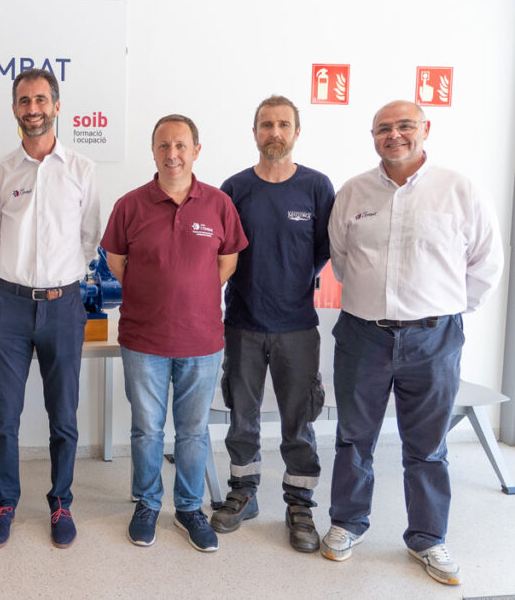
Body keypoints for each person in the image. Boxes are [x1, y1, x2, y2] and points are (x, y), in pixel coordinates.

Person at [321, 100, 503, 585]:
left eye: (405, 125)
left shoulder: (460, 190)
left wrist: (441, 310)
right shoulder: (353, 191)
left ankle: (428, 537)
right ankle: (347, 523)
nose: (394, 135)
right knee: (354, 437)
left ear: (425, 129)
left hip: (434, 339)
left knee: (427, 445)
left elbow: (486, 262)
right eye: (383, 128)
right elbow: (341, 259)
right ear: (373, 136)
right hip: (363, 335)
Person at [102, 114, 247, 552]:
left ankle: (188, 508)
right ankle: (147, 503)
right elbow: (116, 260)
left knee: (193, 431)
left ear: (196, 151)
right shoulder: (130, 205)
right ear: (153, 151)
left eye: (181, 145)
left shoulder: (219, 204)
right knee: (147, 429)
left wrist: (192, 293)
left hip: (201, 341)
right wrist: (155, 292)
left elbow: (227, 262)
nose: (172, 154)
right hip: (143, 340)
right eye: (164, 145)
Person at [0, 68, 101, 548]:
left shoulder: (82, 170)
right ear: (14, 108)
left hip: (63, 306)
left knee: (64, 416)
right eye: (25, 101)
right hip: (9, 307)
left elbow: (89, 237)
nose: (33, 109)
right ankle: (5, 502)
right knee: (4, 417)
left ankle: (61, 502)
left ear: (57, 106)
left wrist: (62, 278)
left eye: (41, 100)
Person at [209, 95, 335, 553]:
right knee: (242, 418)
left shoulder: (317, 187)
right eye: (266, 125)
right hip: (242, 323)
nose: (274, 132)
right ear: (255, 132)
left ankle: (299, 504)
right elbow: (223, 252)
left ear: (296, 132)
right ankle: (242, 492)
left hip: (297, 327)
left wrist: (291, 283)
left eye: (283, 124)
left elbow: (323, 251)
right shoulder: (235, 188)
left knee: (298, 422)